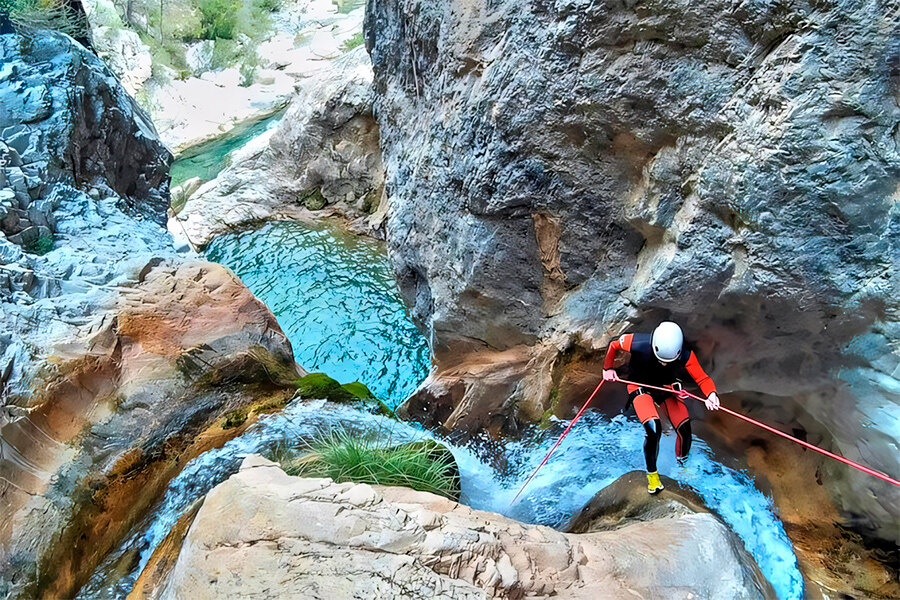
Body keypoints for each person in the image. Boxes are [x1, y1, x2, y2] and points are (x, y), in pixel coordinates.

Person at [602, 321, 720, 494]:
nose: (664, 364)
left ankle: (683, 466)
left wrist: (711, 394)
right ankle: (653, 478)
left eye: (668, 361)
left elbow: (703, 379)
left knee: (685, 428)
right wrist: (608, 368)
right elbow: (614, 345)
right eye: (661, 360)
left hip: (665, 388)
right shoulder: (637, 342)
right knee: (653, 429)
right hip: (638, 386)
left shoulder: (686, 355)